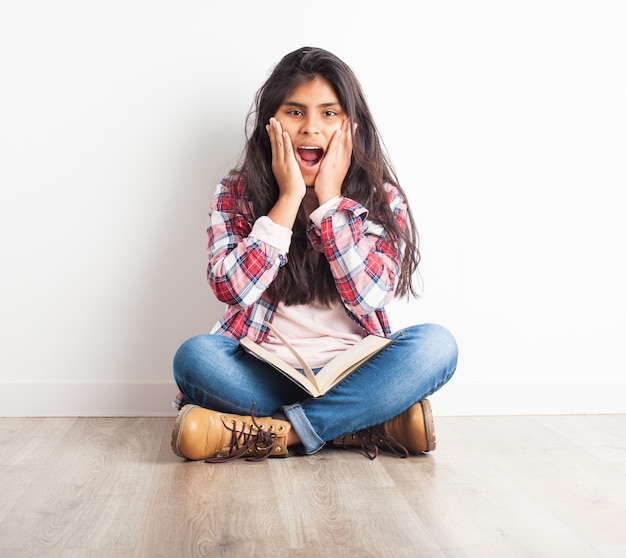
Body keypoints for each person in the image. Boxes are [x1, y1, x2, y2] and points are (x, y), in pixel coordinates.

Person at [171, 46, 458, 462]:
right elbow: (230, 289)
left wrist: (329, 202)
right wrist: (287, 199)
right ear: (271, 122)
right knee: (195, 358)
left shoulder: (382, 200)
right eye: (295, 112)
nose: (311, 129)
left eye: (328, 113)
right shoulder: (235, 193)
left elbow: (370, 298)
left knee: (437, 346)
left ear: (350, 126)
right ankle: (360, 426)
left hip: (355, 377)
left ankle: (279, 434)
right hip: (265, 375)